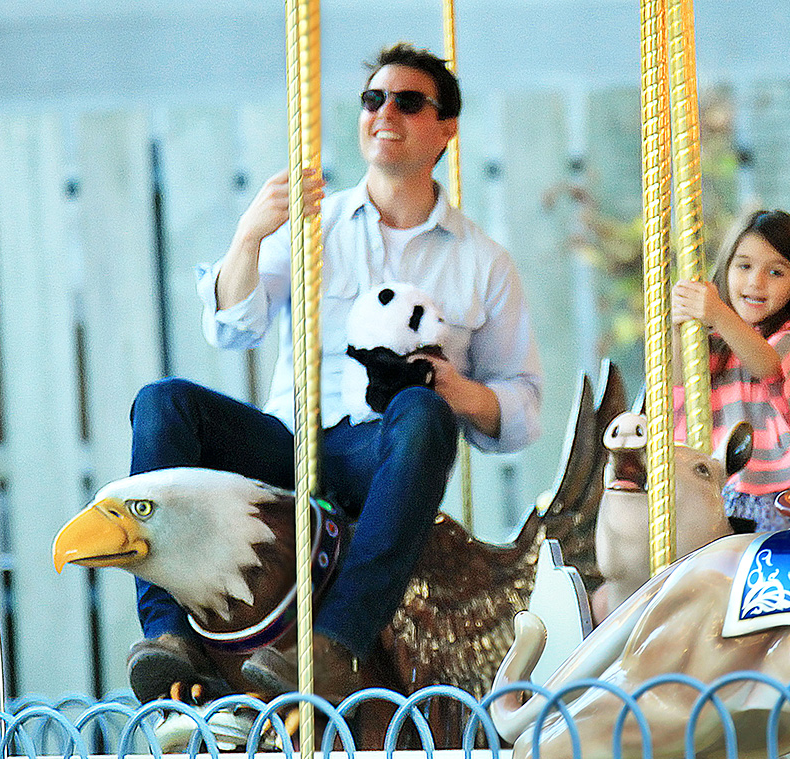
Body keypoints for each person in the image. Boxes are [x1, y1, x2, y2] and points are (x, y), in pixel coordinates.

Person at [125, 42, 542, 704]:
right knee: (162, 403)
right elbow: (232, 325)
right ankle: (168, 635)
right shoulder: (313, 225)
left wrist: (448, 385)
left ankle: (335, 640)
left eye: (409, 101)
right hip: (289, 442)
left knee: (425, 413)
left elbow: (520, 410)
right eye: (373, 99)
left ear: (447, 130)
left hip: (379, 455)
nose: (385, 112)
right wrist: (249, 236)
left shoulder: (483, 262)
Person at [671, 209, 790, 532]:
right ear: (727, 268)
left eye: (775, 273)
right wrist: (679, 326)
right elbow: (679, 379)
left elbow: (767, 365)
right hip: (711, 490)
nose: (755, 282)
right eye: (744, 266)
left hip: (770, 496)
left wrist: (717, 313)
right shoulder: (717, 341)